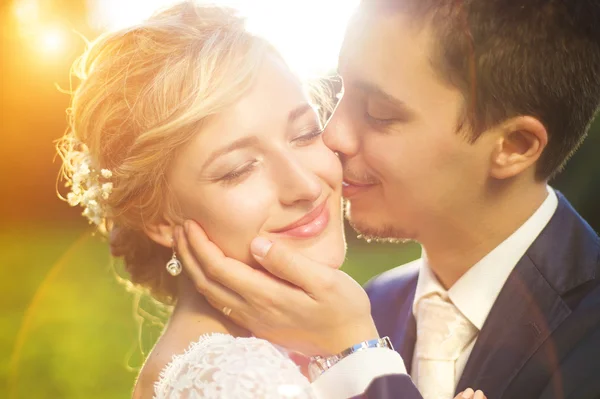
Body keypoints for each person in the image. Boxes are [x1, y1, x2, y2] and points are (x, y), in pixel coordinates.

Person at [58, 2, 486, 398]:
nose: (304, 185)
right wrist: (357, 344)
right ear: (159, 219)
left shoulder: (287, 348)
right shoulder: (234, 380)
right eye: (239, 168)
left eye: (304, 133)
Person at [177, 1, 600, 398]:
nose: (333, 135)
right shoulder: (369, 302)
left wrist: (356, 355)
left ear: (514, 145)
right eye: (340, 91)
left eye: (379, 112)